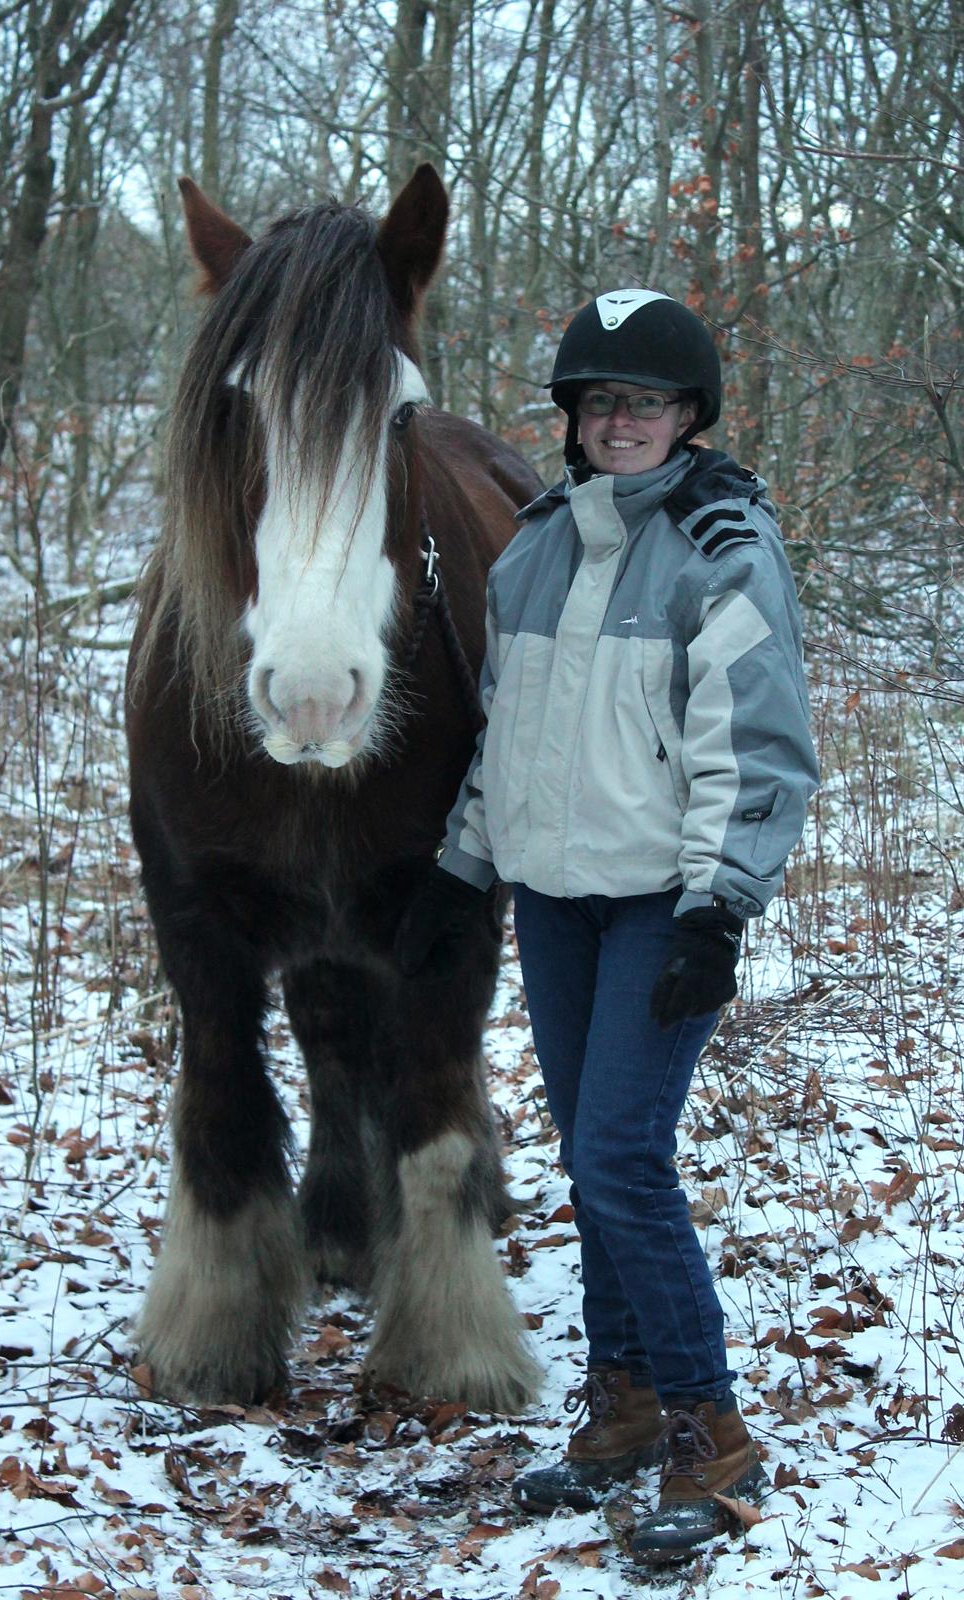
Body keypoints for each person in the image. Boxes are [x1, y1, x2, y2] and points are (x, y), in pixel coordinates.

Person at [395, 289, 819, 1562]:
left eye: (642, 401)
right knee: (590, 1156)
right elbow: (499, 740)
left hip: (657, 903)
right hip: (554, 905)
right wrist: (457, 875)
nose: (618, 420)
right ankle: (621, 1406)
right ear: (571, 420)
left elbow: (756, 754)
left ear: (685, 416)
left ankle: (709, 1426)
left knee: (622, 1158)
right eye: (596, 401)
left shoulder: (723, 547)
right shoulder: (532, 546)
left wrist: (716, 914)